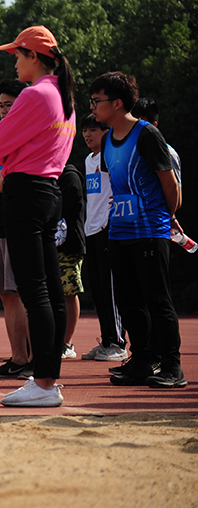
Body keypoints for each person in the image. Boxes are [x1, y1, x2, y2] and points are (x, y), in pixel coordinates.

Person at [0, 26, 77, 407]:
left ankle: (42, 383)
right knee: (50, 290)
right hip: (47, 193)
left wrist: (8, 155)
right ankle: (47, 380)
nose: (16, 62)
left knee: (34, 290)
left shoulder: (36, 94)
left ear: (34, 57)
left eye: (18, 55)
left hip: (25, 194)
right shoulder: (62, 94)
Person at [89, 72, 186, 389]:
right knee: (130, 302)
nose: (92, 106)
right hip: (120, 232)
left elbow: (171, 186)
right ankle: (142, 359)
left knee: (157, 300)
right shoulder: (107, 142)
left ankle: (172, 367)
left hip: (149, 231)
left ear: (117, 103)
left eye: (97, 101)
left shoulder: (146, 135)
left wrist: (162, 217)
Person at [0, 80, 34, 379]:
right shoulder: (0, 137)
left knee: (25, 292)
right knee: (6, 294)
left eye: (8, 105)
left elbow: (4, 181)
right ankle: (17, 358)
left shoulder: (29, 136)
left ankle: (35, 360)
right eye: (0, 105)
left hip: (20, 222)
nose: (3, 110)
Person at [80, 114, 128, 361]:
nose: (88, 135)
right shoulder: (89, 160)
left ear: (106, 131)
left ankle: (119, 342)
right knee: (98, 289)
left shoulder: (112, 155)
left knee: (110, 288)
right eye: (85, 131)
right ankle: (107, 339)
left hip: (109, 227)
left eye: (93, 130)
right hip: (92, 228)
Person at [56, 162, 86, 359]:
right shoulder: (48, 175)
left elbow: (61, 205)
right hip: (51, 244)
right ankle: (56, 340)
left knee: (69, 291)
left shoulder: (69, 175)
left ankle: (67, 343)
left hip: (69, 245)